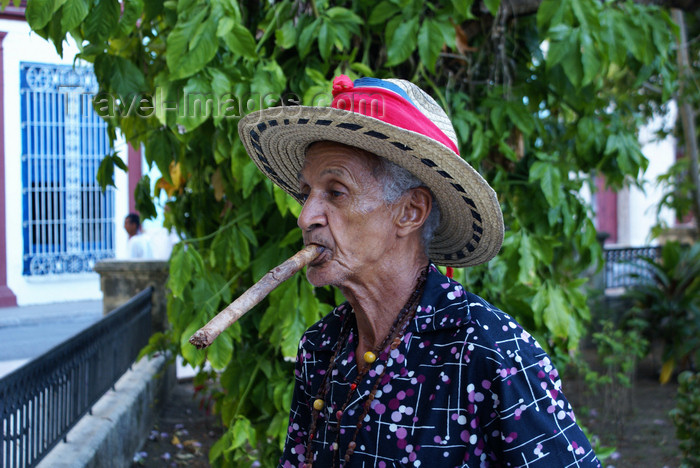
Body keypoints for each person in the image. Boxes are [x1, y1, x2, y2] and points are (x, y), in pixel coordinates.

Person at [238, 76, 600, 467]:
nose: (305, 217)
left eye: (336, 192)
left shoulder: (489, 352)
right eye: (307, 193)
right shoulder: (321, 346)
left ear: (410, 212)